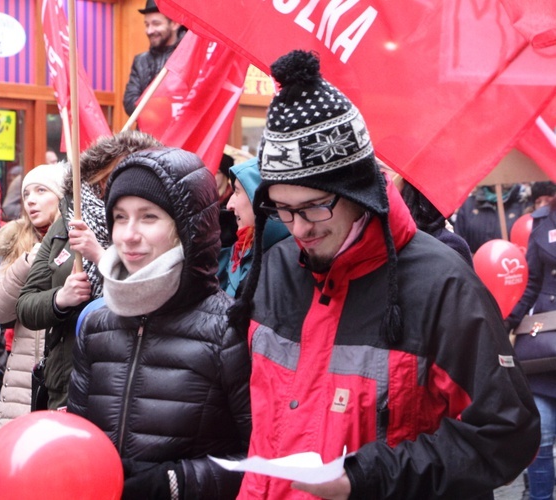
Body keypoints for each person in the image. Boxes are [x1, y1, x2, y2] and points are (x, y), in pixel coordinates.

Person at [228, 50, 539, 499]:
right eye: (283, 209)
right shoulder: (275, 267)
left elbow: (506, 434)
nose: (299, 228)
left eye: (315, 206)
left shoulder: (442, 285)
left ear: (356, 191)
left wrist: (366, 476)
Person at [67, 147, 251, 499]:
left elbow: (264, 460)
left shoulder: (229, 330)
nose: (128, 235)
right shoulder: (96, 325)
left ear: (187, 227)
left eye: (149, 217)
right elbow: (78, 439)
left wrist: (176, 482)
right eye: (120, 217)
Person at [17, 131, 161, 410]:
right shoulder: (70, 223)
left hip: (129, 385)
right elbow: (25, 303)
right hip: (66, 383)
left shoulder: (152, 228)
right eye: (112, 175)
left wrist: (100, 255)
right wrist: (61, 299)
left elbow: (151, 294)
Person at [0, 163, 66, 432]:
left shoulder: (77, 241)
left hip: (63, 382)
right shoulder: (18, 243)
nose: (31, 199)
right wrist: (27, 262)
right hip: (22, 383)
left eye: (41, 190)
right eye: (26, 194)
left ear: (62, 195)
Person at [504, 195, 556, 500]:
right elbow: (532, 281)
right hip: (544, 348)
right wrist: (507, 322)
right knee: (542, 436)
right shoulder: (541, 221)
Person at [218, 157, 288, 297]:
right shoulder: (242, 249)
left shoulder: (284, 265)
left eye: (237, 191)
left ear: (262, 201)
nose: (229, 205)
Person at [122, 0, 184, 117]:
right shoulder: (140, 61)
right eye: (147, 24)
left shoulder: (189, 58)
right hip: (146, 134)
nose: (149, 31)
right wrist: (160, 106)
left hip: (182, 132)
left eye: (156, 24)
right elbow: (129, 103)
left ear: (175, 24)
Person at [454, 183, 530, 253]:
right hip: (473, 265)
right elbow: (458, 243)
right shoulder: (469, 205)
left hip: (511, 264)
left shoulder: (523, 204)